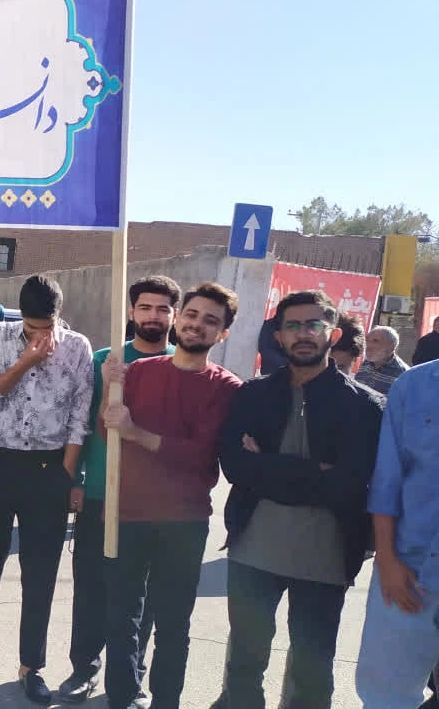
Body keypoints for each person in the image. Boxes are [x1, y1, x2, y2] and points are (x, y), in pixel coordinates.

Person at [216, 290, 384, 709]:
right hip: (254, 549)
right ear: (279, 337)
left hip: (326, 556)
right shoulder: (253, 394)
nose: (302, 334)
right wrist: (313, 472)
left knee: (312, 671)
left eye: (313, 325)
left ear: (334, 334)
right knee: (244, 662)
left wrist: (267, 466)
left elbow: (347, 485)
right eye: (292, 326)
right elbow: (236, 466)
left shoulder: (365, 407)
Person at [99, 281, 244, 709]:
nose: (198, 325)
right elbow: (108, 436)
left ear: (223, 334)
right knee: (121, 618)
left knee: (173, 623)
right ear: (178, 318)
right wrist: (108, 393)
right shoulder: (138, 372)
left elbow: (202, 457)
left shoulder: (227, 388)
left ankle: (166, 701)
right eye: (192, 315)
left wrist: (135, 433)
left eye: (211, 321)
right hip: (126, 513)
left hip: (184, 522)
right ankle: (121, 698)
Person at [0, 275, 92, 703]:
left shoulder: (77, 347)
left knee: (41, 574)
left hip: (49, 469)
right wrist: (24, 362)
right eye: (31, 329)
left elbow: (80, 417)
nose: (39, 337)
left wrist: (67, 474)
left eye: (45, 328)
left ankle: (32, 665)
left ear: (58, 317)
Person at [58, 276, 180, 704]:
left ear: (174, 316)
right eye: (145, 307)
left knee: (140, 599)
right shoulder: (104, 360)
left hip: (151, 505)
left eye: (163, 308)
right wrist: (76, 481)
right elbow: (81, 425)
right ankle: (84, 668)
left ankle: (130, 676)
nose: (153, 316)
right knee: (91, 588)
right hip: (99, 494)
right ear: (131, 312)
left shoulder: (180, 364)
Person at [354, 359, 439, 708]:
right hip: (408, 569)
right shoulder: (415, 385)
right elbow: (387, 481)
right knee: (386, 697)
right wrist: (387, 560)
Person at [356, 325, 409, 394]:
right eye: (367, 339)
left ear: (391, 347)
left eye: (375, 341)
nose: (368, 345)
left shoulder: (403, 374)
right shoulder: (366, 363)